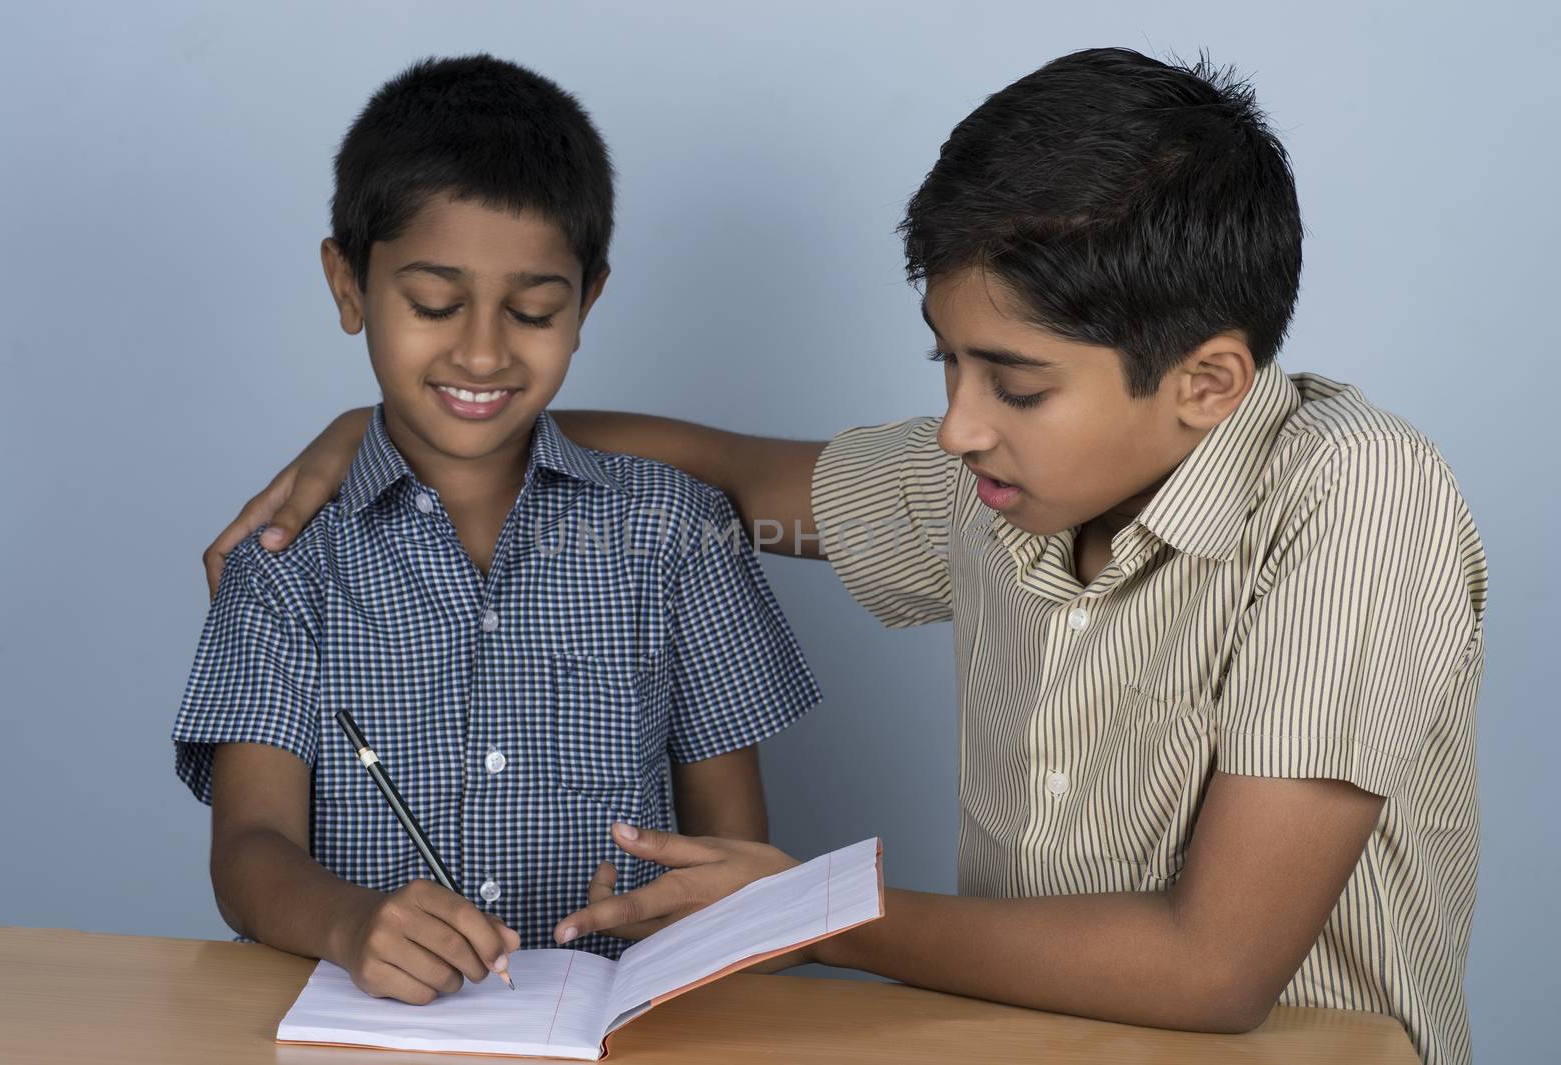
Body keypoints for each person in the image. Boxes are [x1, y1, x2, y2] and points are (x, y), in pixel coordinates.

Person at [205, 48, 1485, 1065]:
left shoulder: (1355, 496)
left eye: (1015, 381)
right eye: (948, 359)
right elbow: (740, 475)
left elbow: (1215, 971)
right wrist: (405, 429)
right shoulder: (997, 483)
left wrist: (807, 913)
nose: (955, 423)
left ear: (1207, 381)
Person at [173, 55, 819, 1007]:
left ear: (587, 301)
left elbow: (729, 854)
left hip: (626, 1027)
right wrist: (352, 923)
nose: (481, 350)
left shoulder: (676, 533)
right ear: (347, 285)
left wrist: (695, 918)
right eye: (434, 305)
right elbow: (248, 853)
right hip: (371, 1031)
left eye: (533, 311)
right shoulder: (284, 556)